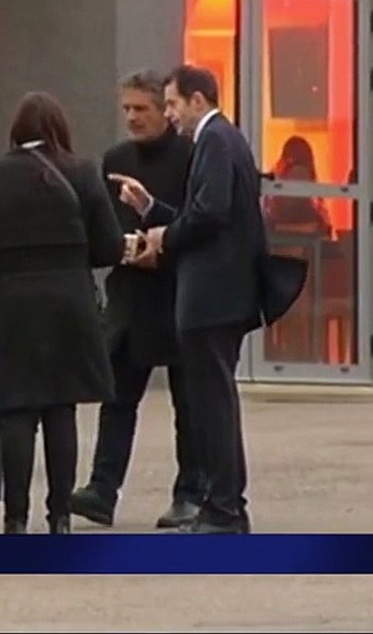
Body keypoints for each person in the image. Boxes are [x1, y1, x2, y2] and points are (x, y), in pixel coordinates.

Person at [0, 92, 126, 534]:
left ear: (16, 131)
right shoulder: (84, 172)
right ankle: (60, 516)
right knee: (60, 411)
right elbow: (108, 247)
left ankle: (15, 519)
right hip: (69, 303)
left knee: (16, 413)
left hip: (10, 307)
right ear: (59, 130)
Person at [108, 64, 266, 534]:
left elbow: (211, 213)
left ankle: (223, 508)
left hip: (213, 295)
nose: (170, 114)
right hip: (219, 293)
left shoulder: (216, 140)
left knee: (211, 405)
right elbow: (204, 211)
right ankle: (222, 504)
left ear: (198, 101)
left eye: (172, 103)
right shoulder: (219, 140)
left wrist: (165, 238)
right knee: (210, 402)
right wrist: (152, 212)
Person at [69, 69, 204, 530]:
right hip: (129, 296)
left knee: (190, 405)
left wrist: (162, 248)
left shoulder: (192, 157)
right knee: (118, 398)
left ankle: (190, 494)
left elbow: (200, 223)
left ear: (165, 111)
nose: (132, 117)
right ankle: (102, 489)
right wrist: (127, 248)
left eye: (141, 109)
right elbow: (102, 229)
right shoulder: (115, 159)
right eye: (126, 108)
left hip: (180, 295)